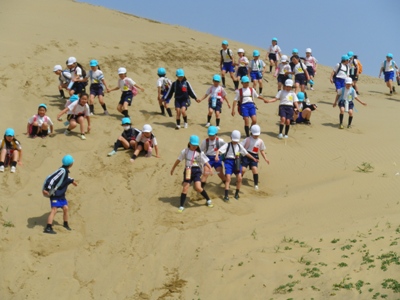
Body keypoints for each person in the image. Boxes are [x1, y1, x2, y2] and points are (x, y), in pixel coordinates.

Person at [170, 135, 214, 212]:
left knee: (198, 187)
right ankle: (181, 206)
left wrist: (210, 168)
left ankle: (208, 199)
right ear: (189, 143)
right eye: (193, 145)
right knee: (185, 188)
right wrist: (173, 168)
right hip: (188, 171)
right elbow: (179, 160)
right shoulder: (185, 151)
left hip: (197, 171)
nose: (194, 147)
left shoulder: (200, 153)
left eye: (196, 145)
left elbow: (205, 161)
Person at [215, 130, 258, 201]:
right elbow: (218, 151)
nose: (235, 142)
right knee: (228, 178)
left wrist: (253, 158)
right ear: (230, 138)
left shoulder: (239, 146)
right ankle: (226, 195)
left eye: (236, 140)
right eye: (234, 140)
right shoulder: (227, 145)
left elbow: (246, 153)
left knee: (239, 178)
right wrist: (216, 156)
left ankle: (236, 193)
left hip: (237, 162)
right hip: (228, 162)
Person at [42, 154, 78, 234]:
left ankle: (65, 224)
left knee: (65, 208)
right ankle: (48, 227)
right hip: (55, 194)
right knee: (54, 210)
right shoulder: (62, 171)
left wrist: (72, 181)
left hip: (61, 195)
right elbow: (53, 179)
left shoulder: (65, 171)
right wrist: (47, 189)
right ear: (71, 164)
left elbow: (66, 178)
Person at [240, 125, 269, 190]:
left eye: (257, 135)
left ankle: (256, 184)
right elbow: (240, 146)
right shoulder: (247, 139)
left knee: (255, 169)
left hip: (255, 156)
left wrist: (266, 159)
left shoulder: (260, 141)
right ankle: (239, 180)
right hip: (246, 155)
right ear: (251, 133)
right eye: (255, 134)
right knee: (243, 170)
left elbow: (262, 151)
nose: (256, 136)